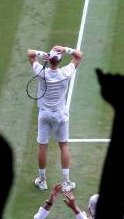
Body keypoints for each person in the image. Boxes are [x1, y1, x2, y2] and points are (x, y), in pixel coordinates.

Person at [27, 45, 83, 192]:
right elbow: (79, 56)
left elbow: (30, 54)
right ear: (59, 61)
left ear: (49, 59)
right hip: (60, 115)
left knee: (42, 147)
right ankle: (66, 183)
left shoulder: (41, 72)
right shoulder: (66, 72)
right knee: (63, 145)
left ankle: (42, 181)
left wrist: (42, 54)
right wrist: (65, 49)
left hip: (44, 115)